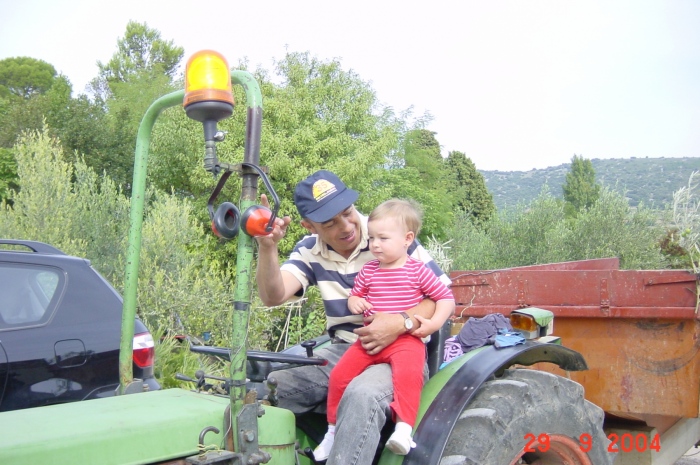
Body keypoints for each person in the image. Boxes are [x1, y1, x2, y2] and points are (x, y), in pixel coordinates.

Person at [255, 170, 451, 465]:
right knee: (270, 386)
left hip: (401, 349)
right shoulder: (309, 251)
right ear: (310, 226)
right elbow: (273, 295)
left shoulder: (387, 235)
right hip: (345, 349)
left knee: (362, 395)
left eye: (347, 213)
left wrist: (400, 323)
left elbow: (438, 296)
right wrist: (267, 246)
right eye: (330, 223)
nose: (346, 226)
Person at [314, 199, 455, 460]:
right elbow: (355, 296)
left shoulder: (418, 271)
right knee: (339, 376)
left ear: (407, 239)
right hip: (369, 340)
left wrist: (433, 324)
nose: (374, 244)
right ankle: (331, 432)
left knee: (408, 376)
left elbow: (445, 298)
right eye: (372, 238)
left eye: (383, 238)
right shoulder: (369, 270)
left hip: (405, 340)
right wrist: (355, 301)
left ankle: (403, 428)